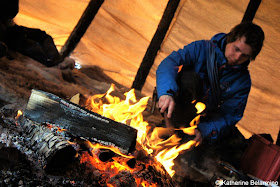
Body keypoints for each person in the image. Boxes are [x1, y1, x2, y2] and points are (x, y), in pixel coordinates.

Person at [156, 22, 265, 147]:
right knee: (190, 79)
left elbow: (229, 115)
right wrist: (166, 92)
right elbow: (169, 63)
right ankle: (170, 126)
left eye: (245, 55)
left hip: (201, 122)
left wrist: (204, 130)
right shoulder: (201, 48)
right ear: (230, 38)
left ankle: (186, 137)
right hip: (175, 106)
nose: (237, 57)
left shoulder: (243, 81)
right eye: (236, 49)